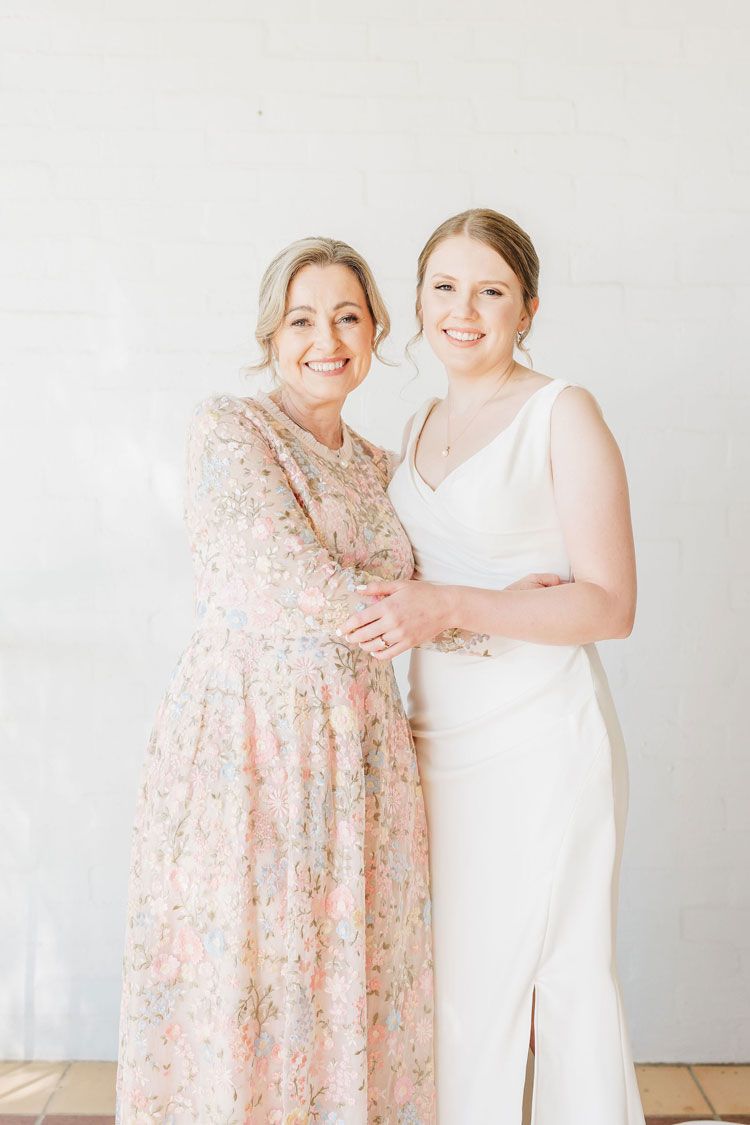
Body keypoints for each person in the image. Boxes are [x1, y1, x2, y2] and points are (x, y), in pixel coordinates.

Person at [116, 237, 435, 1124]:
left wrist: (477, 604)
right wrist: (438, 607)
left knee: (351, 977)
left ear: (376, 332)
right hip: (250, 745)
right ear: (271, 333)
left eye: (346, 315)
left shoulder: (378, 467)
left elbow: (425, 592)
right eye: (302, 317)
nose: (325, 337)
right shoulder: (232, 427)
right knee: (247, 979)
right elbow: (281, 573)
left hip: (362, 754)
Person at [343, 209, 646, 1124]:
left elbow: (610, 604)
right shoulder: (419, 418)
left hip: (540, 731)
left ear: (528, 308)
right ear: (420, 298)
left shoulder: (563, 410)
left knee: (562, 982)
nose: (462, 310)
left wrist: (460, 606)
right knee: (459, 992)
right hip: (436, 740)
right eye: (444, 286)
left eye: (490, 291)